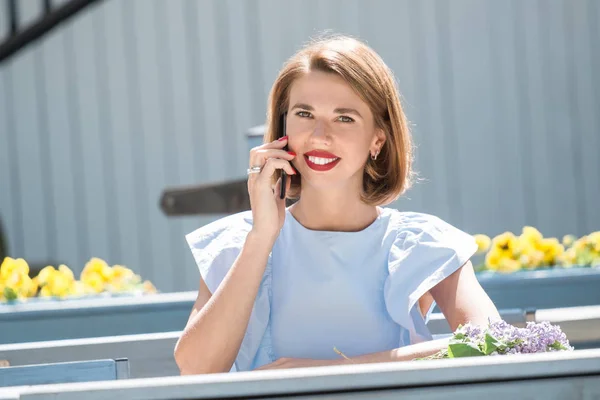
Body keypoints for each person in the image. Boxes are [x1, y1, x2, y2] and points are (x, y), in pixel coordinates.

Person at [174, 34, 500, 375]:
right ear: (283, 129)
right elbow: (197, 371)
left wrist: (323, 372)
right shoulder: (237, 241)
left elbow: (495, 343)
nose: (319, 136)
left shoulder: (422, 243)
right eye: (304, 113)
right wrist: (261, 237)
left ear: (378, 139)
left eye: (344, 118)